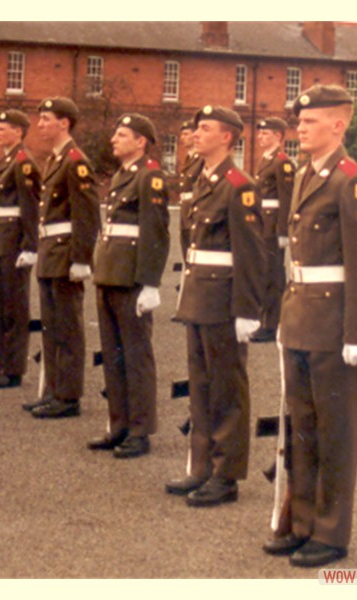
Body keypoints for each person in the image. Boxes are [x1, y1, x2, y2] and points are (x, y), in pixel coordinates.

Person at [263, 84, 357, 568]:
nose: (299, 128)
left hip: (335, 322)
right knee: (303, 426)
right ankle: (303, 522)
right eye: (299, 121)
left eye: (309, 121)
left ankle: (332, 533)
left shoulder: (352, 181)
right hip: (302, 315)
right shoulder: (307, 176)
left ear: (338, 124)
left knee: (335, 429)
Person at [166, 105, 265, 506]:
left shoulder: (239, 184)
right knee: (202, 385)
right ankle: (202, 465)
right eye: (195, 128)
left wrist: (247, 309)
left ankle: (226, 475)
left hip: (224, 297)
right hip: (199, 294)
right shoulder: (202, 179)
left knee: (226, 387)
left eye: (204, 128)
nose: (195, 134)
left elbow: (252, 253)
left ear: (226, 137)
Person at [87, 113, 170, 458]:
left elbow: (156, 233)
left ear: (140, 142)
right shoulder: (123, 175)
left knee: (136, 356)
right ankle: (118, 424)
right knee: (114, 355)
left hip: (131, 278)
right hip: (110, 274)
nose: (113, 140)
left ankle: (140, 429)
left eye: (122, 135)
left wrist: (150, 283)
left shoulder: (149, 177)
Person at [26, 97, 100, 419]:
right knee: (52, 326)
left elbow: (87, 214)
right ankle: (54, 390)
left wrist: (82, 258)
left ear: (64, 123)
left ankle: (68, 396)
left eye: (46, 119)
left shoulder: (75, 161)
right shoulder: (55, 159)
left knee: (68, 327)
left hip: (65, 251)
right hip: (50, 250)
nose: (40, 125)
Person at [0, 109, 40, 389]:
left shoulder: (24, 163)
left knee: (14, 306)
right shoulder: (7, 161)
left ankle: (12, 368)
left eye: (3, 128)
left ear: (18, 131)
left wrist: (30, 246)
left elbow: (30, 208)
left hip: (14, 239)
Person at [251, 117, 295, 343]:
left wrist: (283, 231)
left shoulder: (282, 162)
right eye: (260, 134)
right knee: (262, 272)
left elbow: (287, 199)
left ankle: (272, 323)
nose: (260, 137)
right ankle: (264, 319)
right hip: (262, 222)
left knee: (272, 274)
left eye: (265, 134)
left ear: (278, 136)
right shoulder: (265, 160)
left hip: (273, 224)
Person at [177, 120, 203, 260]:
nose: (182, 138)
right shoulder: (189, 158)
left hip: (193, 208)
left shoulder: (201, 159)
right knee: (185, 245)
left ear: (195, 135)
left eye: (186, 134)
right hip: (185, 208)